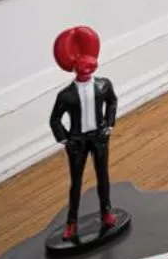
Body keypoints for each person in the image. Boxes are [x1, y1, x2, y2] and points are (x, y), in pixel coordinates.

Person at [49, 25, 119, 241]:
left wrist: (109, 125)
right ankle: (72, 222)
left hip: (99, 137)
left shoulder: (104, 86)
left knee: (103, 177)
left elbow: (112, 102)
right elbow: (55, 119)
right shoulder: (66, 95)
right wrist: (65, 139)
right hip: (77, 141)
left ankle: (106, 212)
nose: (86, 71)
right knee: (76, 183)